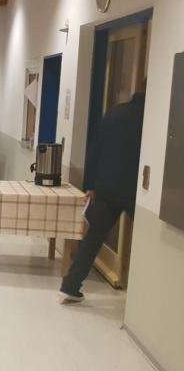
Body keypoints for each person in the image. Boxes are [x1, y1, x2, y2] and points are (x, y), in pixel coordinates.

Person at [59, 90, 145, 303]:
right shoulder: (151, 117)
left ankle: (70, 286)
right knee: (147, 240)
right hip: (138, 191)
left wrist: (90, 185)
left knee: (93, 238)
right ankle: (142, 300)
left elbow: (95, 150)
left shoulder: (114, 113)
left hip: (106, 186)